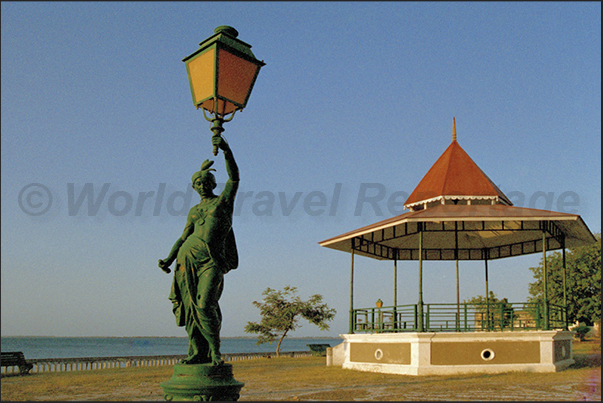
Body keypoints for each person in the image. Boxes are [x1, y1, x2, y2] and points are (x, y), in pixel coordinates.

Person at [158, 135, 239, 366]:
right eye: (197, 183)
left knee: (204, 305)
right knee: (190, 308)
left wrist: (226, 150)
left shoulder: (223, 203)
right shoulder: (194, 210)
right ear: (194, 187)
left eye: (205, 181)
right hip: (187, 259)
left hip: (211, 261)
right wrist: (168, 258)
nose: (202, 185)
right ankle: (196, 352)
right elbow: (184, 236)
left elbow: (235, 178)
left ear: (213, 184)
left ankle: (215, 352)